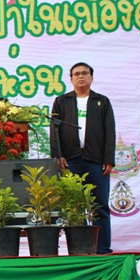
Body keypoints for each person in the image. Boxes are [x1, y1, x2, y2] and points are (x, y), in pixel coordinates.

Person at [50, 62, 116, 254]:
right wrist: (58, 156)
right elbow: (54, 131)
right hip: (71, 160)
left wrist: (108, 158)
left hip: (96, 161)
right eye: (76, 74)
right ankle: (80, 249)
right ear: (71, 79)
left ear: (91, 77)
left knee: (99, 205)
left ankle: (102, 248)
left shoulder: (102, 101)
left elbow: (110, 131)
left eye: (85, 73)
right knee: (75, 206)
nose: (81, 76)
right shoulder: (61, 101)